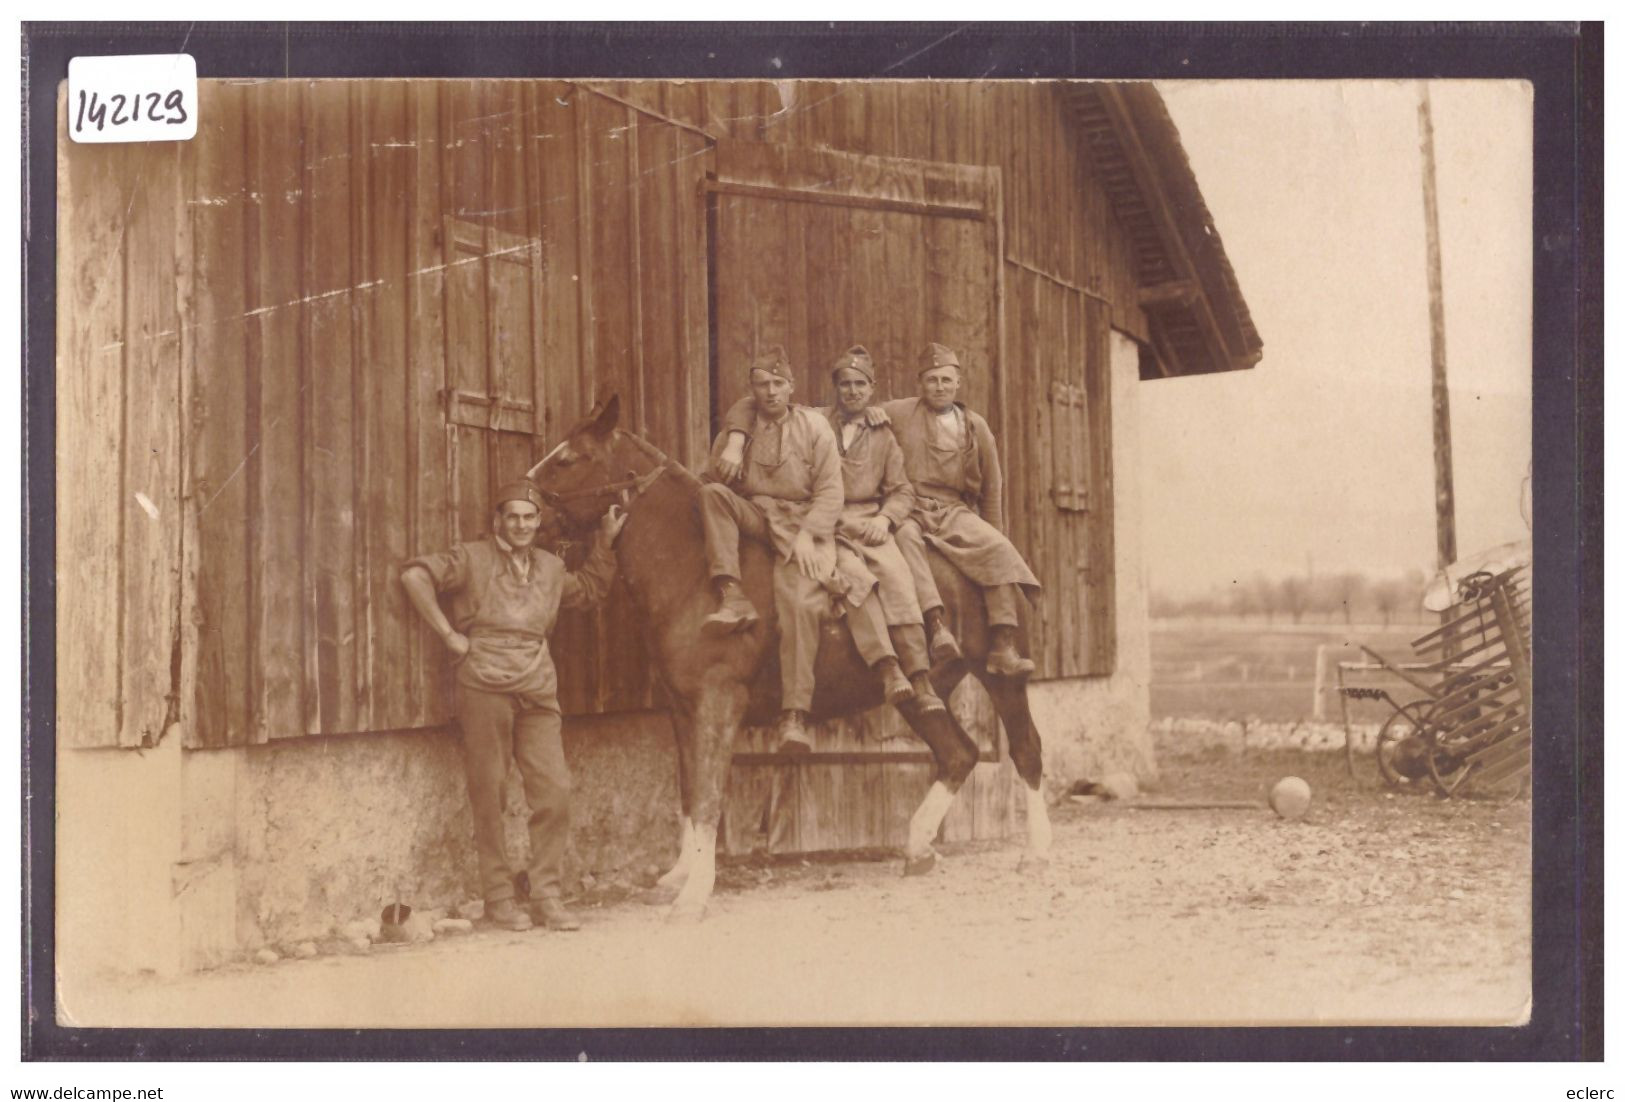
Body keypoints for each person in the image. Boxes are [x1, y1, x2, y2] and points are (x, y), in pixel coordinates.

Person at [400, 479, 626, 932]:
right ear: (497, 521)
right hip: (483, 682)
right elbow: (414, 576)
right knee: (490, 790)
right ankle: (499, 899)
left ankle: (546, 896)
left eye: (529, 517)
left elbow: (587, 590)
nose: (522, 525)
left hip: (538, 684)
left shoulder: (548, 565)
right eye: (513, 517)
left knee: (555, 790)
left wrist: (605, 543)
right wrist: (449, 635)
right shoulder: (472, 557)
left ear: (538, 522)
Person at [700, 345, 917, 753]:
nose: (770, 393)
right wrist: (730, 445)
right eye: (761, 385)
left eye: (778, 384)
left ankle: (795, 715)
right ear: (752, 389)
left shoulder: (815, 425)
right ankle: (730, 593)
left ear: (792, 386)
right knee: (712, 494)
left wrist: (809, 535)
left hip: (802, 520)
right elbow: (714, 475)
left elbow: (832, 492)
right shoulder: (739, 430)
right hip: (758, 512)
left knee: (801, 601)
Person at [868, 342, 1041, 676]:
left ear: (958, 383)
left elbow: (992, 486)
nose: (939, 387)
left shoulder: (976, 427)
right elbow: (857, 410)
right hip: (910, 507)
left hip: (953, 510)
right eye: (932, 380)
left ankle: (1003, 645)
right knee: (905, 539)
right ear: (920, 383)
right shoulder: (901, 412)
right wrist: (873, 412)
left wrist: (992, 531)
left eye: (946, 380)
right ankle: (936, 628)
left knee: (999, 549)